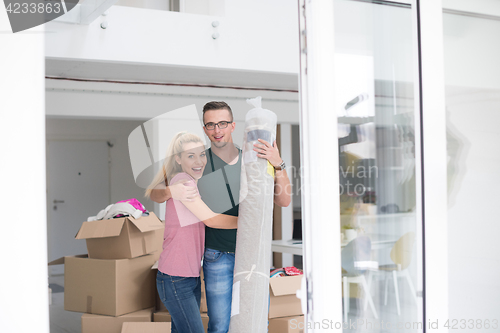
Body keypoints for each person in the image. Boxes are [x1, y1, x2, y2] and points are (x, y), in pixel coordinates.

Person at [150, 101, 291, 333]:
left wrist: (278, 164)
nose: (217, 130)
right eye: (211, 125)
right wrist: (169, 191)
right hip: (217, 254)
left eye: (223, 123)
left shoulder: (254, 158)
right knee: (220, 325)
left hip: (252, 253)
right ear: (205, 129)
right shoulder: (197, 161)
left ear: (233, 125)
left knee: (255, 321)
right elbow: (155, 192)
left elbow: (283, 200)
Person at [145, 132, 238, 333]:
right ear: (178, 159)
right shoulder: (183, 181)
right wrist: (249, 222)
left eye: (201, 154)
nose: (199, 161)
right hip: (176, 277)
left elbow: (156, 191)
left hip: (188, 276)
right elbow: (211, 219)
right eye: (190, 156)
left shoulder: (192, 180)